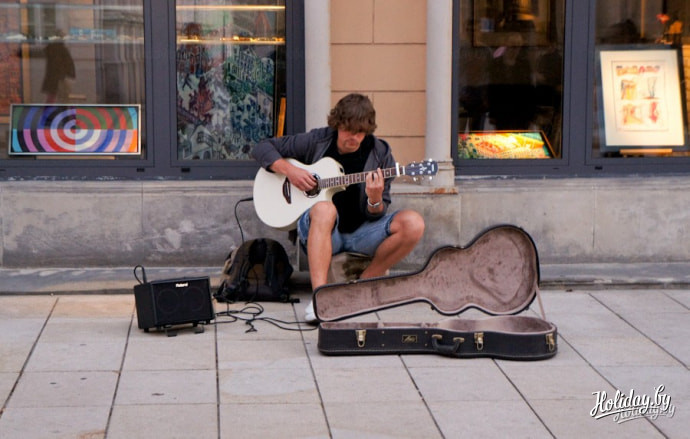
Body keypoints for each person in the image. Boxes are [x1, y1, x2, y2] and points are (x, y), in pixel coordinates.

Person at [251, 93, 425, 322]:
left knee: (413, 223)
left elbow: (378, 212)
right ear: (337, 124)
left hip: (362, 233)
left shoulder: (380, 153)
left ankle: (364, 285)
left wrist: (374, 198)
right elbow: (261, 148)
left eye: (360, 132)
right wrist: (290, 171)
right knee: (325, 209)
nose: (354, 137)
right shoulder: (317, 140)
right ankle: (320, 299)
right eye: (348, 130)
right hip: (322, 233)